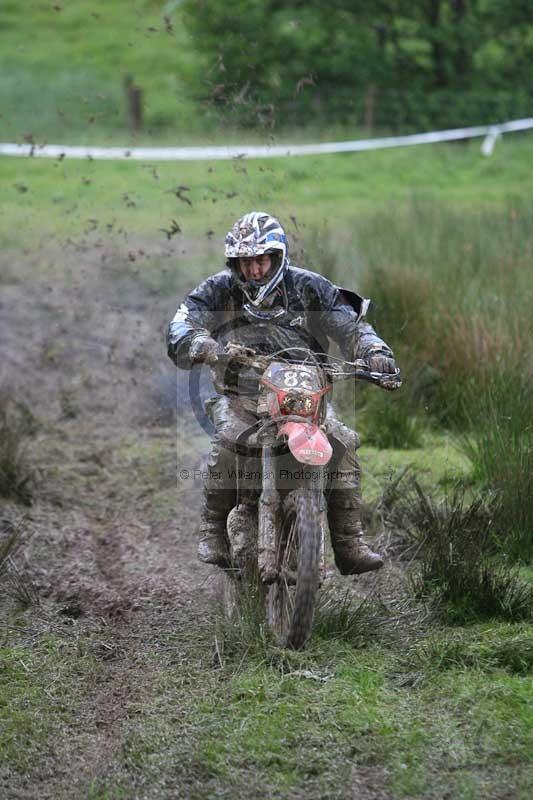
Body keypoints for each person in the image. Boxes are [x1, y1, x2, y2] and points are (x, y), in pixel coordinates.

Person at [167, 211, 398, 575]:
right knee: (230, 439)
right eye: (246, 262)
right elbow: (181, 324)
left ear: (277, 257)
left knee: (342, 440)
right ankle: (212, 528)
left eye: (261, 260)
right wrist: (203, 345)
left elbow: (352, 326)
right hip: (240, 395)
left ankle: (350, 541)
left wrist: (375, 353)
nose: (254, 270)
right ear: (235, 262)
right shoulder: (218, 289)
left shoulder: (310, 287)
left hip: (303, 397)